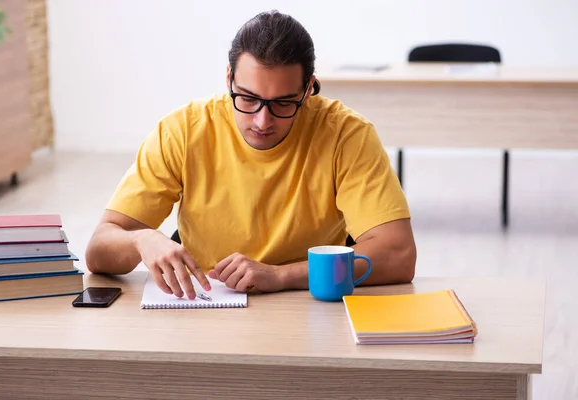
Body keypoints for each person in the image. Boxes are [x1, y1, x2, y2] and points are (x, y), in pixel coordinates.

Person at [85, 10, 416, 300]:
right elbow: (99, 249)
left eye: (284, 102)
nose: (262, 120)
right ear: (229, 79)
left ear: (307, 89)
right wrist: (142, 240)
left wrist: (280, 276)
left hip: (305, 303)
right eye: (246, 98)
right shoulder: (183, 130)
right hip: (208, 306)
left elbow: (398, 255)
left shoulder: (346, 134)